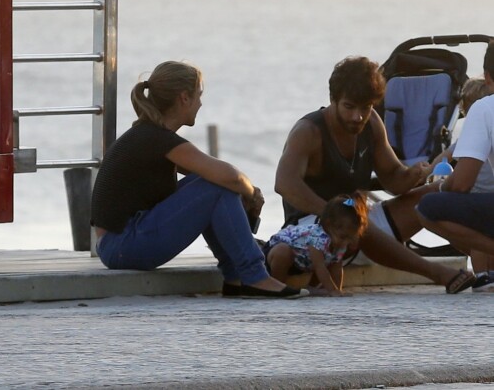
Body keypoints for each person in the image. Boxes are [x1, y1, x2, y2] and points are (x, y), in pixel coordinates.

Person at [91, 60, 303, 298]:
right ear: (184, 98)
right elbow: (231, 177)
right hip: (123, 246)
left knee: (214, 184)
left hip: (119, 244)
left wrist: (240, 196)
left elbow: (217, 178)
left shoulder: (149, 136)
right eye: (198, 95)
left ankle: (235, 276)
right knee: (215, 186)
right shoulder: (157, 139)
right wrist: (251, 193)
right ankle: (255, 276)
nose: (200, 103)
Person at [274, 55, 475, 294]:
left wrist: (414, 174)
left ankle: (482, 265)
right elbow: (284, 184)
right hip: (311, 231)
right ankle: (440, 274)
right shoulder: (309, 131)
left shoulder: (371, 124)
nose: (357, 117)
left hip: (356, 225)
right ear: (333, 100)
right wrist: (333, 214)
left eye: (365, 108)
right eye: (349, 107)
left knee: (437, 194)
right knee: (354, 216)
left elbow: (393, 178)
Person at [417, 41, 494, 292]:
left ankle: (484, 275)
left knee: (427, 207)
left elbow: (461, 184)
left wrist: (441, 186)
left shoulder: (484, 110)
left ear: (488, 77)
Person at [265, 191, 369, 296]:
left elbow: (337, 269)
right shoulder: (317, 237)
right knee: (283, 252)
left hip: (300, 262)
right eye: (343, 237)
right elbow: (320, 267)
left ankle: (311, 287)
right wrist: (332, 290)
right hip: (275, 253)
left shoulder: (339, 242)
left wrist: (338, 290)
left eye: (350, 238)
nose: (346, 242)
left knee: (332, 261)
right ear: (329, 226)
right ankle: (277, 286)